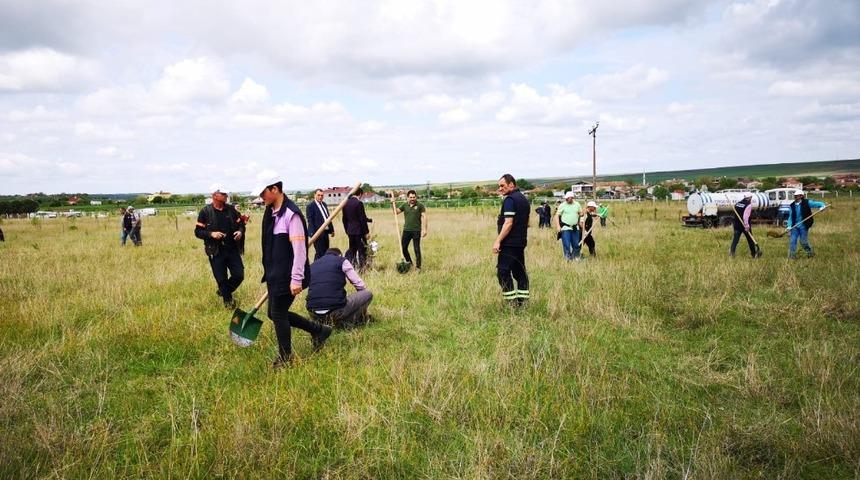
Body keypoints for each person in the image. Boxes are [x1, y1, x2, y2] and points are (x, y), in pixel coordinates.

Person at [254, 176, 332, 368]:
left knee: (278, 313)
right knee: (273, 313)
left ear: (274, 189)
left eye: (263, 193)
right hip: (275, 274)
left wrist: (296, 278)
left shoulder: (292, 215)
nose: (261, 197)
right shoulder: (270, 212)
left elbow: (300, 251)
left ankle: (285, 358)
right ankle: (319, 330)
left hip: (288, 275)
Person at [195, 185, 246, 308]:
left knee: (239, 275)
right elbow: (198, 232)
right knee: (221, 279)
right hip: (215, 251)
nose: (226, 196)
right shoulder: (205, 212)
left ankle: (223, 291)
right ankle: (229, 304)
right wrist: (211, 234)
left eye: (226, 194)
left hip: (232, 249)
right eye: (223, 194)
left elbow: (241, 224)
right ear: (214, 195)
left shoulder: (231, 210)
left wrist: (240, 232)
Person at [306, 248, 373, 329]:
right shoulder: (342, 261)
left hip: (313, 313)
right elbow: (359, 285)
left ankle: (324, 322)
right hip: (335, 311)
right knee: (367, 294)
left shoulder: (313, 265)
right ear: (340, 255)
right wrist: (362, 307)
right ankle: (349, 322)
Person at [493, 174, 530, 306]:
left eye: (502, 185)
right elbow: (528, 222)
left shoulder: (510, 200)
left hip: (509, 243)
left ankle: (511, 303)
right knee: (520, 272)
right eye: (499, 186)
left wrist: (498, 241)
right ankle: (523, 302)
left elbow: (508, 223)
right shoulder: (523, 199)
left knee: (503, 272)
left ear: (511, 185)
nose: (500, 188)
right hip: (520, 242)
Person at [786, 190, 826, 259]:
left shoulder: (807, 202)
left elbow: (818, 203)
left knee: (803, 242)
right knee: (792, 241)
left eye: (797, 196)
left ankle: (810, 253)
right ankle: (792, 257)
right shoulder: (792, 205)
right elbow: (790, 217)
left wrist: (822, 206)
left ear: (801, 196)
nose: (795, 197)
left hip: (804, 226)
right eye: (795, 196)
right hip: (795, 226)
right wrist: (789, 226)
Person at [394, 190, 427, 270]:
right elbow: (396, 212)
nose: (412, 199)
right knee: (403, 248)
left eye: (414, 197)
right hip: (406, 230)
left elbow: (425, 217)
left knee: (416, 249)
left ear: (416, 197)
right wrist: (392, 204)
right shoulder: (405, 205)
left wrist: (425, 229)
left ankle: (418, 267)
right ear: (408, 197)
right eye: (411, 197)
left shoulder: (420, 205)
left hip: (416, 230)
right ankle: (410, 264)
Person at [342, 187, 371, 271]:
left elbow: (344, 219)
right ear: (360, 194)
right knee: (362, 250)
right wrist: (366, 232)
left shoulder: (345, 203)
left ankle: (353, 267)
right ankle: (362, 269)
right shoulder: (359, 203)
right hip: (359, 232)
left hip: (350, 231)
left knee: (352, 250)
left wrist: (347, 230)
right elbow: (362, 219)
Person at [306, 188, 335, 261]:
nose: (320, 197)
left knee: (326, 252)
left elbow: (328, 218)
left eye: (322, 195)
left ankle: (323, 266)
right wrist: (313, 234)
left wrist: (332, 230)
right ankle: (315, 267)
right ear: (314, 195)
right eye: (318, 195)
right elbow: (310, 221)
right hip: (317, 233)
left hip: (325, 233)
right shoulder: (310, 206)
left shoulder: (324, 204)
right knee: (320, 253)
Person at [554, 192, 583, 260]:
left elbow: (580, 213)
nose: (566, 199)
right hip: (565, 228)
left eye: (568, 198)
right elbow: (557, 215)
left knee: (576, 244)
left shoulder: (577, 204)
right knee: (566, 244)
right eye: (566, 198)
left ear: (572, 198)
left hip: (575, 228)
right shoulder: (562, 205)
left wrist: (582, 214)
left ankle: (574, 257)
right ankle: (567, 258)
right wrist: (558, 226)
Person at [730, 192, 758, 258]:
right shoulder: (748, 205)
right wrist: (747, 226)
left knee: (735, 240)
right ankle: (753, 254)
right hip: (744, 226)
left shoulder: (737, 204)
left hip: (737, 225)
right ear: (750, 198)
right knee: (750, 240)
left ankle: (732, 253)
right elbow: (745, 217)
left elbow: (736, 214)